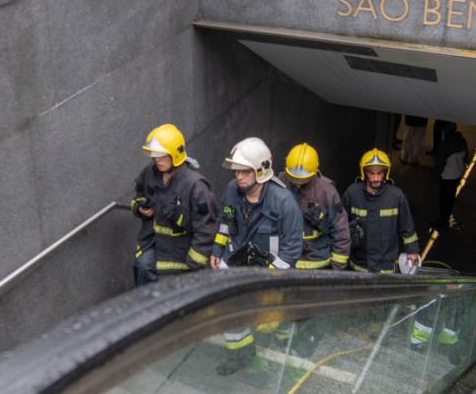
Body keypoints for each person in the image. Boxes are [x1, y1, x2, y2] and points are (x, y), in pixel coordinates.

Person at [209, 137, 305, 375]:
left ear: (260, 171)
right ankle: (241, 355)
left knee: (277, 318)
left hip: (271, 267)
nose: (238, 177)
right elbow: (226, 221)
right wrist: (217, 251)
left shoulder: (284, 202)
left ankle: (289, 349)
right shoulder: (233, 191)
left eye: (244, 172)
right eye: (236, 172)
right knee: (229, 310)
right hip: (239, 259)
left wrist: (273, 279)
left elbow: (292, 247)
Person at [130, 123, 218, 286]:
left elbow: (207, 225)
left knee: (171, 293)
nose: (157, 160)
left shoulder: (195, 185)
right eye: (155, 156)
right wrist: (141, 208)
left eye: (162, 156)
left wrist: (194, 260)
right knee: (142, 266)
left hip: (181, 252)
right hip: (153, 242)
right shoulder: (150, 173)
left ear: (175, 154)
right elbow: (139, 194)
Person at [342, 149, 420, 273]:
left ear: (386, 172)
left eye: (380, 173)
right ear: (364, 172)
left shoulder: (396, 196)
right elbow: (339, 224)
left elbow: (407, 226)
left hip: (385, 266)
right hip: (358, 265)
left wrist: (412, 251)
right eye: (371, 173)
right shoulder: (352, 193)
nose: (376, 178)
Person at [278, 142, 351, 271]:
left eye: (302, 179)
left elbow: (341, 231)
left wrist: (337, 270)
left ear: (314, 171)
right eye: (293, 178)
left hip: (318, 264)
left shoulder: (327, 191)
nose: (297, 182)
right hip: (286, 261)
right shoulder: (280, 182)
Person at [431, 128, 468, 231]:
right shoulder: (462, 141)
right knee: (451, 197)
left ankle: (443, 220)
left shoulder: (445, 145)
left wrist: (436, 175)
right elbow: (466, 157)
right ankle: (446, 217)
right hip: (458, 173)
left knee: (444, 199)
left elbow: (440, 163)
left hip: (447, 176)